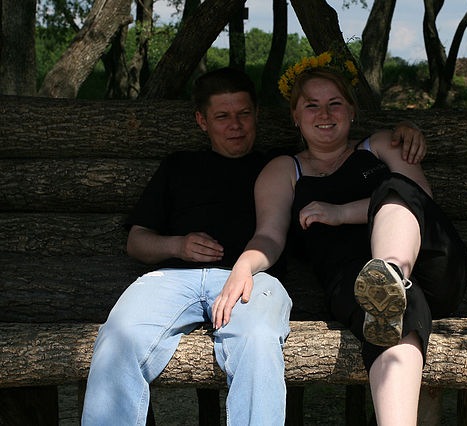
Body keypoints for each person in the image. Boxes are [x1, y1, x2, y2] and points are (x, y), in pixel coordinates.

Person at [81, 67, 428, 426]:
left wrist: (404, 130)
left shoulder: (279, 164)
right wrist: (178, 245)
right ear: (202, 121)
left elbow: (332, 149)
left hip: (255, 280)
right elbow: (136, 241)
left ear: (257, 114)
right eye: (222, 116)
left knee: (259, 340)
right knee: (118, 337)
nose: (236, 125)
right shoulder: (178, 166)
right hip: (172, 278)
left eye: (244, 114)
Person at [218, 53, 467, 425]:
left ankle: (389, 275)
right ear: (295, 116)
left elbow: (420, 199)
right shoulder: (284, 170)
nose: (324, 113)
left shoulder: (380, 144)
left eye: (335, 103)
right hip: (351, 282)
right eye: (311, 105)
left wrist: (339, 213)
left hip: (432, 263)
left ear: (351, 111)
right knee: (398, 308)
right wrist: (244, 265)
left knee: (396, 188)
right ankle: (388, 293)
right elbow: (268, 236)